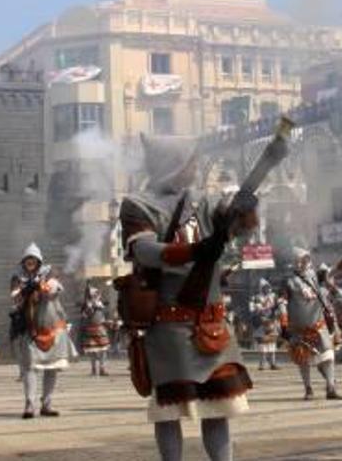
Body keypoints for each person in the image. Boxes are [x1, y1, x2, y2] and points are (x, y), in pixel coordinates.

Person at [119, 136, 256, 461]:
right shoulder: (138, 205)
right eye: (190, 161)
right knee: (169, 411)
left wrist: (246, 209)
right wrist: (194, 250)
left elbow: (239, 226)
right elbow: (144, 251)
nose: (195, 167)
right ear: (173, 164)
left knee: (218, 407)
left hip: (211, 321)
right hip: (168, 326)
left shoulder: (204, 202)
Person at [10, 243, 72, 418]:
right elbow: (15, 298)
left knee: (52, 367)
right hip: (30, 328)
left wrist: (43, 285)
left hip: (52, 327)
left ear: (38, 261)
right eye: (27, 259)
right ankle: (29, 404)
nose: (30, 262)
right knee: (30, 368)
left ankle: (47, 404)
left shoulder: (49, 274)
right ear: (24, 261)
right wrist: (27, 289)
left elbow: (54, 290)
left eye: (33, 259)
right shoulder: (17, 277)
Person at [282, 254, 342, 401]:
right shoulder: (289, 281)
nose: (303, 262)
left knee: (329, 356)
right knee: (303, 359)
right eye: (300, 260)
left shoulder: (314, 276)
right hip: (300, 327)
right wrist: (283, 323)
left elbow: (330, 273)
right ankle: (308, 389)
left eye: (306, 259)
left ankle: (331, 388)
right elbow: (282, 302)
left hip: (319, 324)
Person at [249, 279, 283, 371]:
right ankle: (262, 364)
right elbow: (254, 309)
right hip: (261, 323)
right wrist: (264, 309)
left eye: (268, 287)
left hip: (272, 322)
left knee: (272, 344)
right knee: (262, 345)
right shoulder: (256, 297)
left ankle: (273, 363)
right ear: (261, 288)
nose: (267, 289)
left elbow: (279, 308)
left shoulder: (274, 296)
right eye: (265, 288)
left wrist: (277, 311)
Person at [81, 286, 112, 376]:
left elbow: (103, 316)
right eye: (95, 294)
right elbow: (85, 315)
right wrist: (89, 307)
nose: (98, 295)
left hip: (101, 329)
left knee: (103, 351)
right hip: (91, 329)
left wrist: (107, 322)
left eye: (98, 294)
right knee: (92, 351)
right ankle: (94, 369)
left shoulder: (100, 304)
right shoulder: (88, 305)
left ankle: (102, 368)